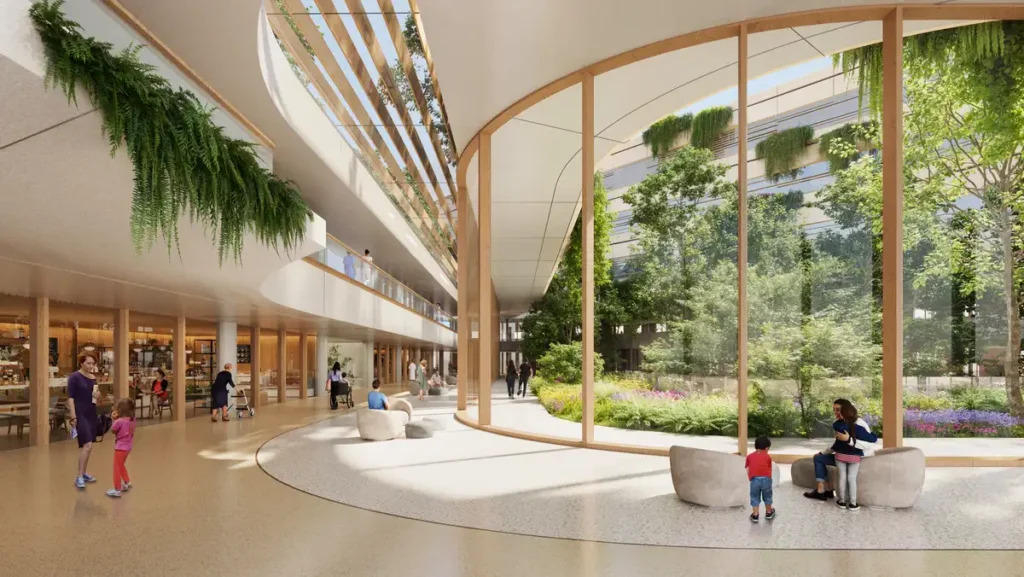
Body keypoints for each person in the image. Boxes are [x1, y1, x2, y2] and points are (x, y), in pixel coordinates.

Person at [803, 398, 877, 503]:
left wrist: (849, 440)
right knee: (819, 458)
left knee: (846, 477)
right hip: (843, 456)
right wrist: (822, 452)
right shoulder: (840, 423)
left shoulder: (860, 424)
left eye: (838, 410)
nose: (835, 413)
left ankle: (843, 499)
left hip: (859, 458)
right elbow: (837, 444)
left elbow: (870, 445)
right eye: (834, 410)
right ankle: (822, 491)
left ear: (846, 409)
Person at [831, 403, 878, 511]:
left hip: (840, 456)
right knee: (852, 479)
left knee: (842, 478)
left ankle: (842, 501)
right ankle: (853, 503)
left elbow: (836, 430)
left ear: (842, 414)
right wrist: (873, 434)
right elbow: (872, 439)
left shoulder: (837, 425)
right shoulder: (859, 428)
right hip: (854, 457)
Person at [67, 352, 100, 489]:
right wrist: (73, 416)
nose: (91, 366)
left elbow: (95, 396)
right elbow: (71, 398)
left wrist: (97, 395)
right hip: (80, 414)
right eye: (88, 363)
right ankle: (79, 476)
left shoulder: (93, 378)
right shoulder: (74, 377)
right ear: (81, 363)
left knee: (89, 445)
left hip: (91, 412)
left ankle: (84, 472)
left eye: (93, 363)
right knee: (87, 445)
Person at [107, 397, 136, 498]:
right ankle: (127, 482)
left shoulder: (119, 421)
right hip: (128, 447)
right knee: (121, 465)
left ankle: (117, 489)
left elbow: (113, 430)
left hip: (120, 448)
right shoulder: (132, 420)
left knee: (116, 467)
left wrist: (113, 419)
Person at [745, 435, 775, 522]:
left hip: (754, 480)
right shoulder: (768, 457)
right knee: (767, 496)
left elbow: (748, 468)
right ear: (766, 448)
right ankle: (769, 512)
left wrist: (751, 478)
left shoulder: (749, 456)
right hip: (766, 480)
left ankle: (755, 514)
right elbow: (769, 469)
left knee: (754, 496)